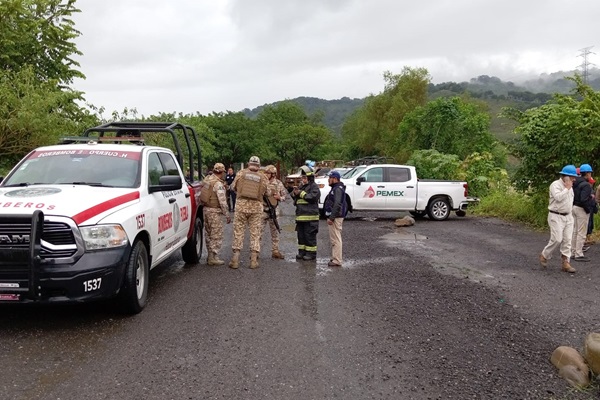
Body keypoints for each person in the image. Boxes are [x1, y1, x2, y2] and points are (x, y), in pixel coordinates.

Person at [229, 156, 269, 269]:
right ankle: (253, 261)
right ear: (259, 166)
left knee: (238, 232)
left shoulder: (241, 173)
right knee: (255, 233)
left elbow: (233, 187)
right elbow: (268, 192)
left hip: (241, 207)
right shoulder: (263, 177)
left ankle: (235, 259)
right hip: (256, 208)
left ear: (248, 164)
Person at [539, 165, 577, 273]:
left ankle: (566, 262)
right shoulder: (555, 185)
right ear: (565, 176)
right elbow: (558, 198)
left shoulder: (570, 186)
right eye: (572, 177)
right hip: (556, 215)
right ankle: (544, 255)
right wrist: (567, 189)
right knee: (557, 239)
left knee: (567, 240)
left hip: (568, 216)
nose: (574, 179)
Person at [201, 163, 231, 265]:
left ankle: (210, 255)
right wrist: (227, 214)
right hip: (214, 211)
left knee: (208, 233)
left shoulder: (207, 180)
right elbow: (222, 201)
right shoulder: (218, 184)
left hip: (206, 210)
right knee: (216, 234)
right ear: (221, 172)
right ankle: (213, 257)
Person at [291, 165, 321, 261]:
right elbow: (297, 200)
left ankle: (311, 253)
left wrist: (300, 193)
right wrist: (294, 193)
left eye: (304, 178)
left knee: (309, 236)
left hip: (310, 218)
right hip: (301, 218)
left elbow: (312, 197)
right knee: (301, 236)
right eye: (302, 177)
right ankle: (302, 252)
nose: (302, 179)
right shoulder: (302, 187)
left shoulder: (314, 187)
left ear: (309, 178)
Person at [262, 164, 287, 259]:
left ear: (273, 174)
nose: (265, 174)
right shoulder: (262, 183)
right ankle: (256, 252)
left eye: (267, 173)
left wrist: (279, 197)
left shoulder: (278, 183)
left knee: (275, 232)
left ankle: (275, 251)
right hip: (263, 210)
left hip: (274, 211)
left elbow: (285, 196)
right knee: (258, 232)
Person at [323, 170, 347, 267]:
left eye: (330, 178)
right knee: (334, 238)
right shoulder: (337, 188)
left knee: (336, 238)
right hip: (336, 216)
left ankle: (337, 260)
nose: (328, 180)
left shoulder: (337, 189)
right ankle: (335, 257)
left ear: (335, 179)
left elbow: (337, 204)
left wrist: (331, 217)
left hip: (336, 217)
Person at [571, 163, 593, 262]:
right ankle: (579, 254)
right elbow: (584, 199)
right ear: (587, 173)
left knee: (575, 231)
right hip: (581, 209)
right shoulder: (586, 185)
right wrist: (588, 209)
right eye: (590, 173)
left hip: (574, 207)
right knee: (581, 232)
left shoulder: (575, 183)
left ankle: (573, 251)